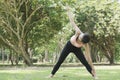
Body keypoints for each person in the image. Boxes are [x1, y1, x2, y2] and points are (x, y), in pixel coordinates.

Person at [49, 6, 97, 79]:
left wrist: (93, 68)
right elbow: (72, 21)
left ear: (83, 42)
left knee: (85, 62)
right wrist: (69, 11)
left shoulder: (86, 44)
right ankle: (51, 75)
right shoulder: (78, 32)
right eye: (81, 35)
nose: (80, 35)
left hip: (77, 49)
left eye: (81, 38)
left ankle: (94, 76)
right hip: (68, 46)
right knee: (60, 61)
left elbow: (89, 58)